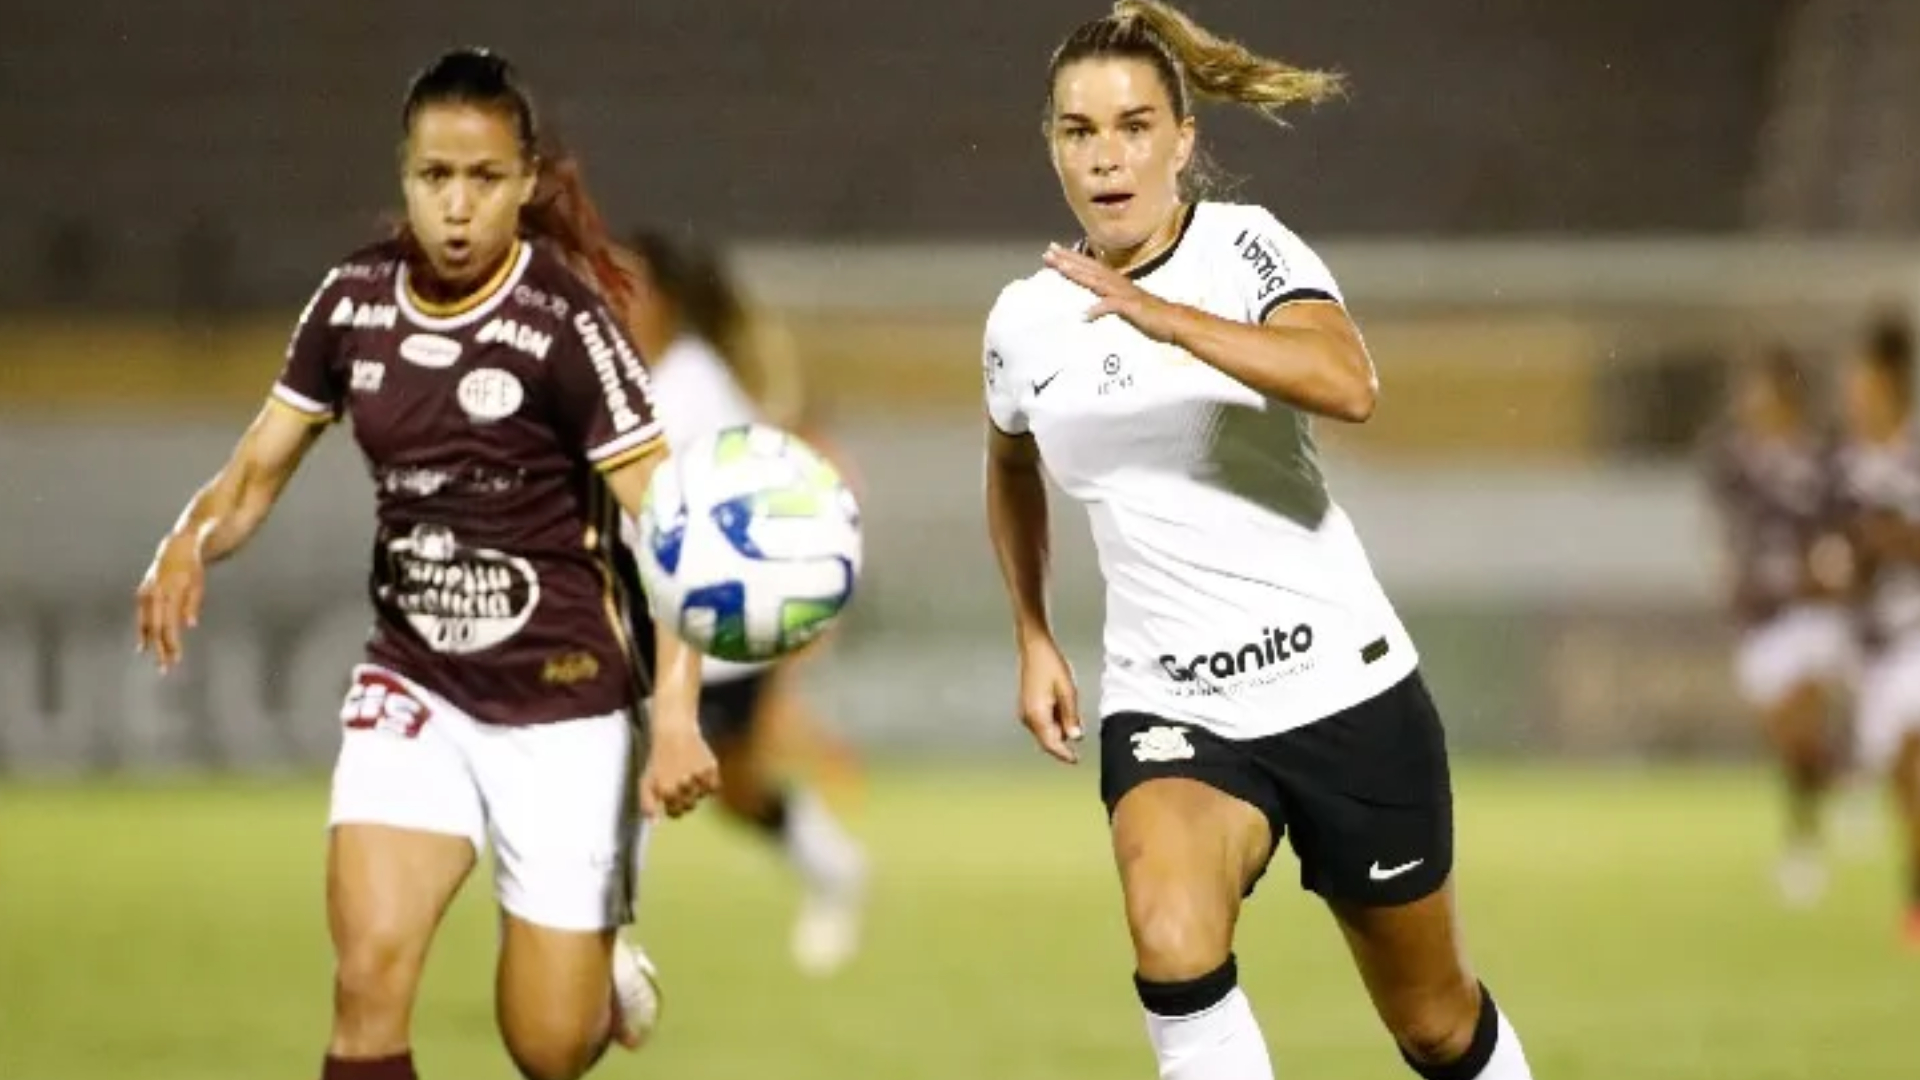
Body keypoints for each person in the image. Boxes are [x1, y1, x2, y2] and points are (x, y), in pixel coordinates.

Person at [133, 48, 720, 1080]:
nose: (455, 206)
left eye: (482, 179)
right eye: (433, 177)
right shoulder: (353, 306)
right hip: (416, 685)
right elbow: (254, 472)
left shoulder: (568, 326)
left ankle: (589, 976)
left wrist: (673, 716)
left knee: (545, 1048)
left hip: (567, 708)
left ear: (527, 182)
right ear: (403, 177)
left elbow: (672, 530)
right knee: (367, 979)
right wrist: (187, 539)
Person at [980, 3, 1536, 1077]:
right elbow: (1009, 464)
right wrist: (1034, 633)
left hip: (1341, 686)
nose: (1107, 157)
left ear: (1183, 140)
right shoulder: (1024, 320)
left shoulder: (1248, 249)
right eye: (1079, 131)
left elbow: (1349, 384)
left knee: (1432, 1022)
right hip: (1174, 703)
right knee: (1173, 945)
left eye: (1135, 126)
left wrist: (1166, 318)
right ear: (1051, 146)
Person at [615, 226, 870, 976]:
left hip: (707, 627)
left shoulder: (694, 391)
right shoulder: (628, 380)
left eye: (625, 287)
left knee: (653, 778)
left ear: (661, 299)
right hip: (652, 618)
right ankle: (835, 869)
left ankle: (598, 954)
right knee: (723, 786)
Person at [1700, 347, 1855, 906]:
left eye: (1760, 391)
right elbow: (1727, 527)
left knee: (1798, 717)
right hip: (1760, 615)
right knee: (1787, 740)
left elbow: (1844, 520)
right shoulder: (1734, 460)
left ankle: (1803, 846)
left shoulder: (1822, 459)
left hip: (1811, 610)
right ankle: (1846, 771)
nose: (1750, 403)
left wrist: (1834, 563)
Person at [1832, 314, 1920, 947]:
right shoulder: (1843, 465)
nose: (1854, 398)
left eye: (1864, 386)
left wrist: (1884, 541)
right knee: (1899, 779)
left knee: (1914, 763)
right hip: (1873, 644)